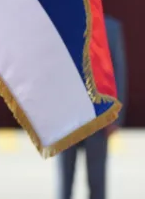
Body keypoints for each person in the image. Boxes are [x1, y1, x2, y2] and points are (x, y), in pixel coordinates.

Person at [57, 14, 127, 199]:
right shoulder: (61, 25)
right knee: (65, 184)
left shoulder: (110, 29)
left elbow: (118, 73)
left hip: (98, 118)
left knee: (97, 183)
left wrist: (115, 117)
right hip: (67, 118)